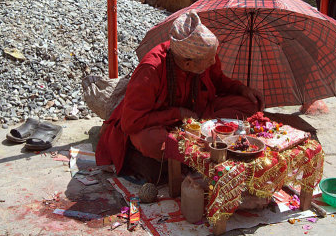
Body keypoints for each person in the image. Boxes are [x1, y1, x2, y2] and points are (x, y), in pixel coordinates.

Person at [96, 10, 264, 179]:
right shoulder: (150, 70)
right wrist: (178, 114)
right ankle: (194, 153)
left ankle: (194, 148)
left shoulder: (204, 54)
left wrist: (243, 89)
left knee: (249, 105)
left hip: (199, 115)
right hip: (162, 125)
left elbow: (219, 81)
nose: (214, 61)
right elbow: (131, 123)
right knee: (152, 141)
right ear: (187, 63)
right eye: (209, 60)